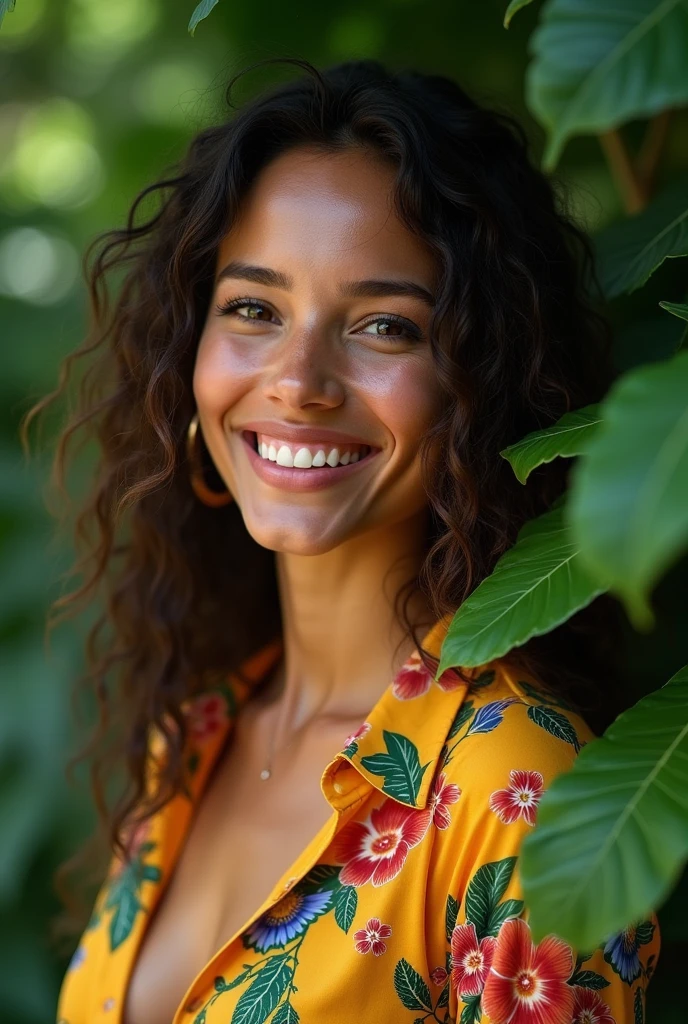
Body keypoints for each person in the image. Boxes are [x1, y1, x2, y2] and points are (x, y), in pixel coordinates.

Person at [31, 57, 659, 1024]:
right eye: (253, 309)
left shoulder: (518, 798)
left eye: (382, 326)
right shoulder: (190, 743)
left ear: (479, 380)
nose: (299, 381)